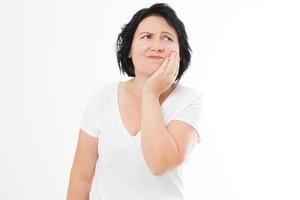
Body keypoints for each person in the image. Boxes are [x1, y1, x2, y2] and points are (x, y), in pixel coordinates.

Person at [67, 3, 202, 200]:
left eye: (167, 38)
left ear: (180, 52)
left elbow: (159, 164)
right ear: (129, 49)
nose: (157, 46)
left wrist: (150, 94)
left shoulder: (189, 100)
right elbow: (81, 178)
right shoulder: (102, 98)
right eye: (147, 37)